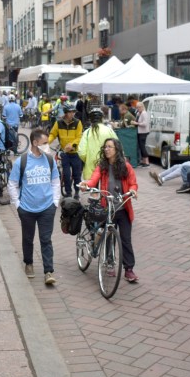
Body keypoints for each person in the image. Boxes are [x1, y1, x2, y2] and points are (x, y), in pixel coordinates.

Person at [80, 138, 140, 282]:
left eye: (110, 147)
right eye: (105, 147)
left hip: (123, 208)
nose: (107, 149)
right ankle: (109, 263)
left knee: (126, 239)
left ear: (117, 149)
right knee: (109, 236)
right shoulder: (102, 166)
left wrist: (132, 191)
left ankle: (129, 269)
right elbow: (93, 180)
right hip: (107, 207)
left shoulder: (126, 167)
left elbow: (133, 183)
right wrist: (86, 184)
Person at [7, 129, 60, 285]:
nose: (47, 146)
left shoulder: (50, 160)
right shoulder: (21, 161)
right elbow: (12, 184)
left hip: (47, 208)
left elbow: (56, 181)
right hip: (27, 208)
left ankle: (48, 271)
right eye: (44, 143)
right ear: (35, 142)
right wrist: (17, 204)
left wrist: (55, 202)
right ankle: (28, 263)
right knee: (28, 239)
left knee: (46, 239)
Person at [48, 104, 83, 198]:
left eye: (73, 112)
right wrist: (46, 142)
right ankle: (68, 193)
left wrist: (72, 145)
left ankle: (76, 192)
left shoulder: (77, 122)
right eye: (70, 112)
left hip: (75, 153)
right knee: (66, 174)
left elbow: (79, 137)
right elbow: (53, 134)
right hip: (65, 153)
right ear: (66, 113)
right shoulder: (58, 123)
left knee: (77, 175)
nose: (72, 114)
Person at [78, 108, 117, 180]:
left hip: (91, 167)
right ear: (102, 118)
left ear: (90, 120)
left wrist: (88, 159)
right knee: (106, 188)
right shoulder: (109, 130)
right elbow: (117, 146)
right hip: (107, 164)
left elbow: (81, 152)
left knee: (93, 189)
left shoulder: (87, 132)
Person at [135, 102, 150, 167]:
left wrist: (137, 123)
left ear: (142, 107)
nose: (137, 109)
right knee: (141, 147)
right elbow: (137, 120)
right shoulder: (139, 113)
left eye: (138, 107)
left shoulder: (144, 113)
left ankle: (147, 162)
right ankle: (144, 161)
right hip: (139, 132)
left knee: (142, 146)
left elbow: (145, 123)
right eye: (137, 107)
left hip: (143, 132)